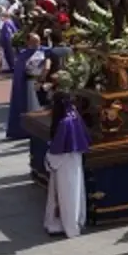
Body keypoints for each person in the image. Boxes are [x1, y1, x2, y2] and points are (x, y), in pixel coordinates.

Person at [44, 90, 90, 238]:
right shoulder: (75, 116)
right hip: (75, 160)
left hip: (63, 163)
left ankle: (63, 225)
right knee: (76, 193)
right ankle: (76, 222)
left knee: (64, 195)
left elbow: (57, 150)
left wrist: (48, 159)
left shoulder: (64, 122)